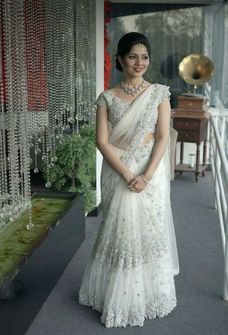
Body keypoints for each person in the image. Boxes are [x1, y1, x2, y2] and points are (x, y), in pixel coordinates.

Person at [79, 32, 179, 328]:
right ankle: (115, 295)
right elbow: (101, 141)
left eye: (145, 57)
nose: (140, 62)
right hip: (118, 170)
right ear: (121, 59)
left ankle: (149, 295)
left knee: (149, 230)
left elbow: (162, 137)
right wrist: (127, 174)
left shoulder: (160, 92)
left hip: (151, 170)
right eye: (133, 56)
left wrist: (146, 176)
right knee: (119, 231)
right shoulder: (106, 97)